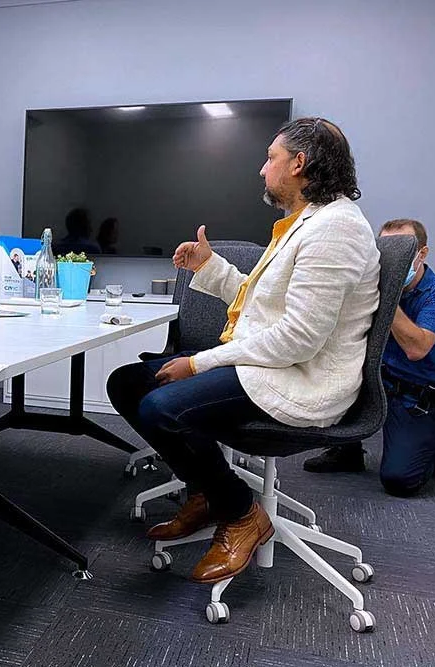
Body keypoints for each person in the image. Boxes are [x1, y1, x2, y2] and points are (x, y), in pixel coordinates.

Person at [106, 118, 380, 584]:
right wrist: (208, 266)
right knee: (128, 383)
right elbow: (261, 302)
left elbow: (299, 338)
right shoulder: (305, 223)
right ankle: (204, 493)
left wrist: (198, 363)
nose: (262, 169)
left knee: (159, 407)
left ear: (299, 163)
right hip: (277, 364)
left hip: (303, 377)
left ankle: (240, 513)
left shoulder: (336, 230)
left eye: (271, 158)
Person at [303, 219, 435, 496]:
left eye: (403, 250)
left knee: (399, 480)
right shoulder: (371, 285)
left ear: (422, 254)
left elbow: (416, 348)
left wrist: (388, 297)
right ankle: (347, 451)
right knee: (329, 374)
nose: (394, 259)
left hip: (416, 394)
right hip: (375, 378)